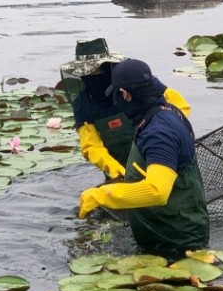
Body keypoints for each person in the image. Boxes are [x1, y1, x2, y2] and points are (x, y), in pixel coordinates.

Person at [78, 58, 209, 259]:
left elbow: (157, 192)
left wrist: (102, 195)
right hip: (161, 233)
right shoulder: (166, 112)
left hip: (175, 245)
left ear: (125, 94)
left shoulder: (159, 132)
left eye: (117, 95)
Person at [60, 38, 190, 181]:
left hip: (160, 156)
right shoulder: (83, 103)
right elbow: (91, 145)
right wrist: (113, 168)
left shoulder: (134, 79)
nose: (91, 77)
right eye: (86, 73)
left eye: (96, 71)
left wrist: (167, 135)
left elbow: (179, 104)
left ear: (107, 66)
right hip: (120, 173)